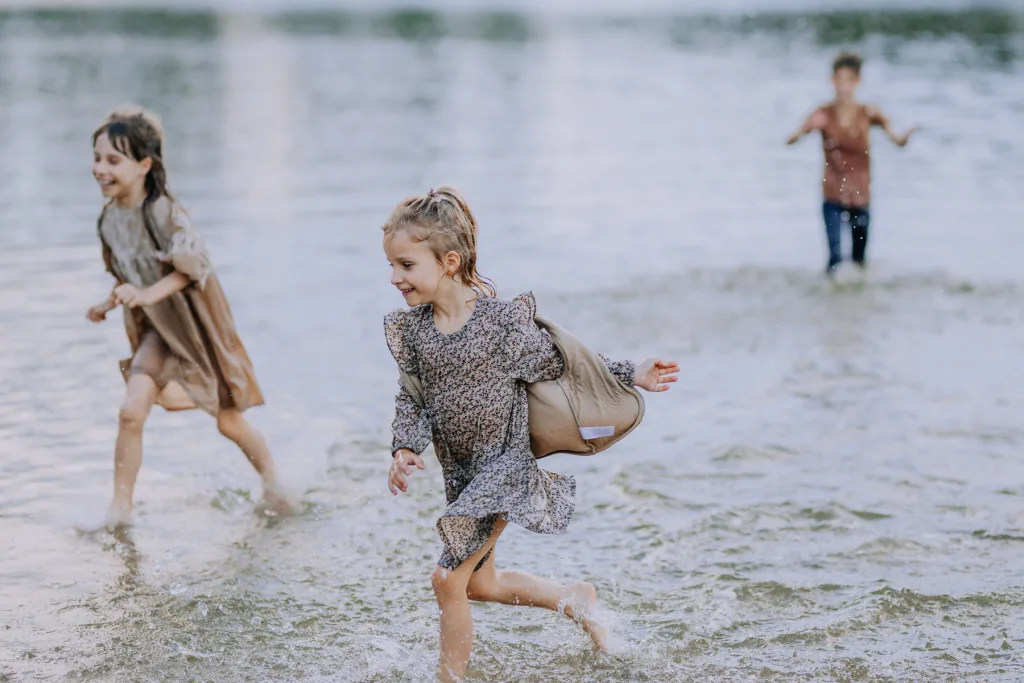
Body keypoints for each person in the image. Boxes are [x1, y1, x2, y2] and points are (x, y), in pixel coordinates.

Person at [381, 186, 679, 682]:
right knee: (480, 585)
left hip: (504, 468)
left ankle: (448, 680)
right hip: (461, 473)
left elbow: (566, 364)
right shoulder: (414, 332)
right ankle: (574, 600)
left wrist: (632, 372)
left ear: (449, 261)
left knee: (447, 580)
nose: (395, 278)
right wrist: (405, 446)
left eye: (406, 265)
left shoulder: (499, 325)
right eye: (391, 266)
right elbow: (410, 398)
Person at [85, 106, 289, 527]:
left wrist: (143, 294)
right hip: (155, 330)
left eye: (112, 160)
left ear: (144, 165)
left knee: (229, 421)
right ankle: (119, 512)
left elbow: (192, 265)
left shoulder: (164, 213)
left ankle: (274, 481)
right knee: (130, 410)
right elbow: (128, 273)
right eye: (97, 158)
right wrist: (109, 303)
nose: (99, 169)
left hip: (196, 328)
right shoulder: (108, 220)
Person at [787, 51, 917, 276]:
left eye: (849, 81)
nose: (843, 87)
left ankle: (858, 308)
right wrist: (802, 130)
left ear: (858, 83)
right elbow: (791, 140)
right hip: (832, 196)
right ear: (832, 81)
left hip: (860, 196)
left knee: (859, 262)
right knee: (834, 260)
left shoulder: (868, 113)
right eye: (839, 81)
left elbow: (897, 141)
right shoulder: (823, 114)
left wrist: (906, 137)